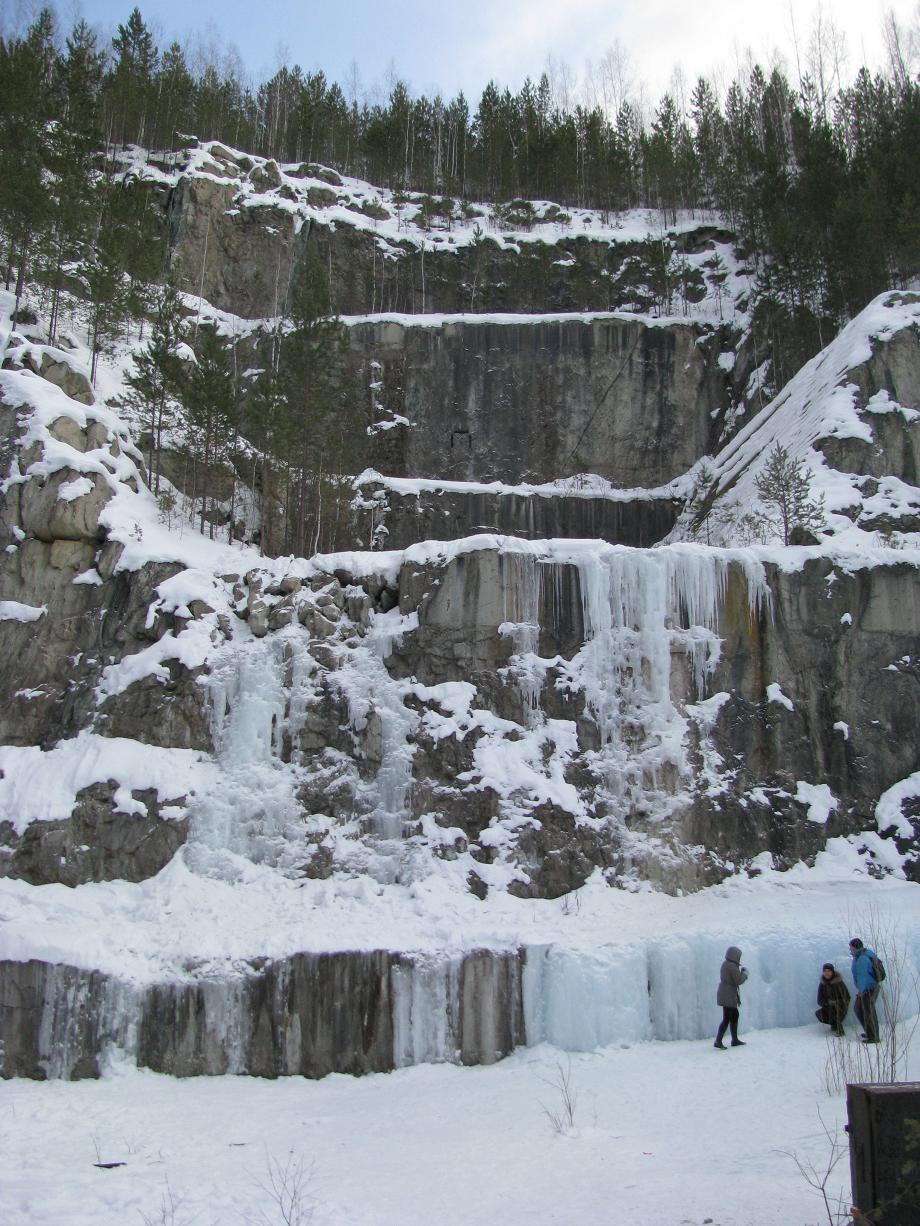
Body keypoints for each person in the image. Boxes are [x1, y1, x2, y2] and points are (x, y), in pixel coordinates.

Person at [714, 945, 748, 1049]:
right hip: (728, 995)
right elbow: (738, 980)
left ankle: (734, 1039)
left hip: (726, 993)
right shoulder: (732, 966)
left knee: (734, 1015)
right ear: (735, 956)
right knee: (727, 1018)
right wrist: (744, 974)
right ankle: (718, 1041)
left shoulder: (726, 964)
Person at [849, 937, 880, 1044]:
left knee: (868, 1011)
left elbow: (863, 976)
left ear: (855, 947)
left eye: (851, 947)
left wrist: (861, 991)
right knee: (860, 1009)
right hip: (869, 987)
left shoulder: (861, 958)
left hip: (868, 988)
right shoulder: (864, 954)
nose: (850, 949)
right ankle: (870, 1032)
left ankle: (874, 1036)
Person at [815, 962, 850, 1036]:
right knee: (819, 1014)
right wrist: (827, 1003)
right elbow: (819, 1000)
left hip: (840, 1008)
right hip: (828, 1007)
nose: (827, 973)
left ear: (832, 972)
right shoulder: (822, 984)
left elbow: (847, 997)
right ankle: (834, 1024)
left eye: (829, 971)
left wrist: (837, 1002)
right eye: (825, 971)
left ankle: (840, 1029)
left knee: (834, 1009)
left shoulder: (839, 983)